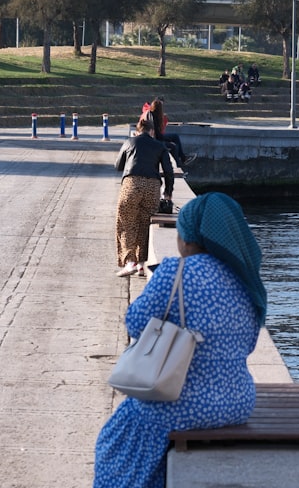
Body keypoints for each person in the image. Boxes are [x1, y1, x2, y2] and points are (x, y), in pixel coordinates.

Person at [94, 192, 267, 488]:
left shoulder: (176, 271)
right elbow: (247, 344)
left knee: (114, 439)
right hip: (238, 402)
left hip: (181, 402)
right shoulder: (247, 281)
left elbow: (135, 324)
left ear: (189, 239)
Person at [114, 117, 174, 277]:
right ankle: (141, 264)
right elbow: (168, 171)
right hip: (152, 186)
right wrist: (168, 192)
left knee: (126, 221)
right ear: (152, 131)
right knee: (145, 223)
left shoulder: (130, 142)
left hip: (131, 184)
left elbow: (118, 165)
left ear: (138, 130)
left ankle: (130, 262)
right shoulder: (160, 146)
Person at [141, 97, 194, 168]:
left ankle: (183, 158)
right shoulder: (153, 117)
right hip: (154, 140)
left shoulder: (152, 114)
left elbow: (158, 133)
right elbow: (157, 135)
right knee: (173, 146)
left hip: (156, 137)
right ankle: (178, 165)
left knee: (175, 136)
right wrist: (168, 141)